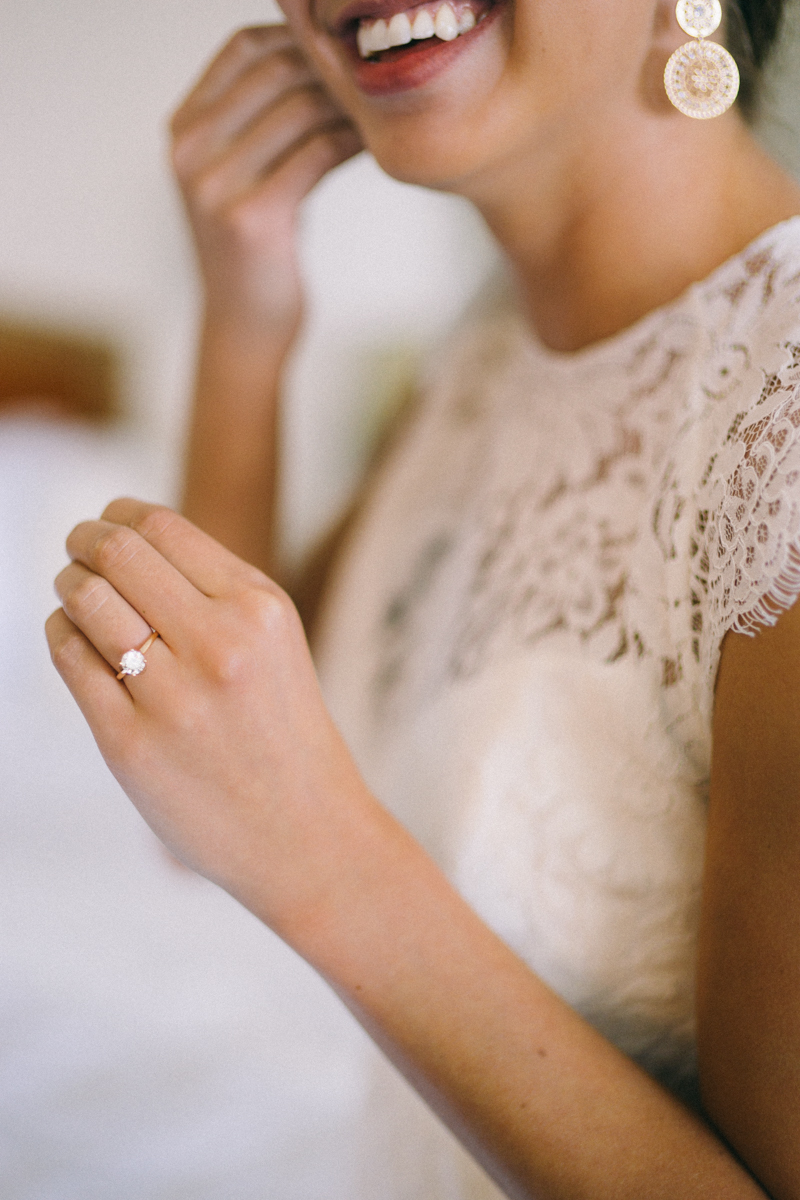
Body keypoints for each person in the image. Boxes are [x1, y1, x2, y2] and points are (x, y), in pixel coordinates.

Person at [45, 0, 800, 1195]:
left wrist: (333, 870)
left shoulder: (782, 436)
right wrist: (246, 317)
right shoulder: (486, 349)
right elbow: (206, 800)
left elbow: (294, 831)